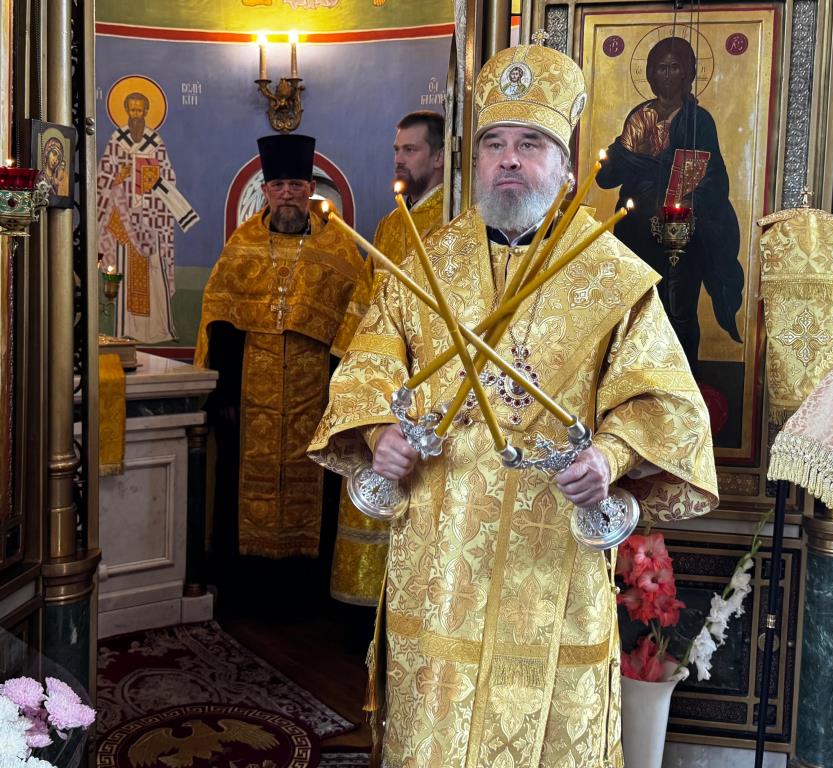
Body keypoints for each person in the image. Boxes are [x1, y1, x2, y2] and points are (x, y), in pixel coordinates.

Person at [308, 42, 717, 768]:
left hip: (552, 550)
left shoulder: (611, 276)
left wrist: (608, 457)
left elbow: (664, 403)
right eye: (494, 143)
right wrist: (379, 433)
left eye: (531, 144)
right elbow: (368, 367)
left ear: (565, 165)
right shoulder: (423, 262)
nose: (508, 160)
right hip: (440, 553)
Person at [194, 133, 372, 612]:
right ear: (266, 191)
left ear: (310, 190)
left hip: (315, 395)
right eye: (279, 186)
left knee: (312, 485)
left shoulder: (338, 247)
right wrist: (225, 395)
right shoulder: (243, 244)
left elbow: (355, 323)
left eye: (296, 185)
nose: (288, 194)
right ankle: (246, 590)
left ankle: (303, 595)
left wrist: (340, 397)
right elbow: (221, 321)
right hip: (250, 397)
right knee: (242, 491)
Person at [331, 110, 445, 612]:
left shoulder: (452, 221)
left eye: (410, 150)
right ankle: (365, 617)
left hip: (427, 383)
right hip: (379, 381)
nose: (399, 159)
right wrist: (348, 369)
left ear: (439, 158)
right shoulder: (391, 223)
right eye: (397, 150)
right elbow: (366, 302)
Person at [596, 36, 743, 374]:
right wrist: (625, 152)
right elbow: (607, 177)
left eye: (675, 67)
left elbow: (714, 177)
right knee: (636, 307)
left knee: (678, 309)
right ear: (650, 73)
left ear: (688, 73)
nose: (667, 74)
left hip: (681, 232)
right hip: (635, 231)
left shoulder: (698, 120)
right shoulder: (640, 116)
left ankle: (683, 382)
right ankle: (632, 382)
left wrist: (687, 197)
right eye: (660, 67)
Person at [97, 91, 199, 344]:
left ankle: (156, 329)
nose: (135, 115)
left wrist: (153, 181)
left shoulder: (156, 142)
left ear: (145, 112)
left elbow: (169, 176)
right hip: (123, 217)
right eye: (131, 110)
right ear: (126, 111)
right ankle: (126, 330)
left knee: (153, 270)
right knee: (124, 270)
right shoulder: (117, 140)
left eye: (139, 110)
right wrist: (119, 177)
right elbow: (102, 178)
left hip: (152, 218)